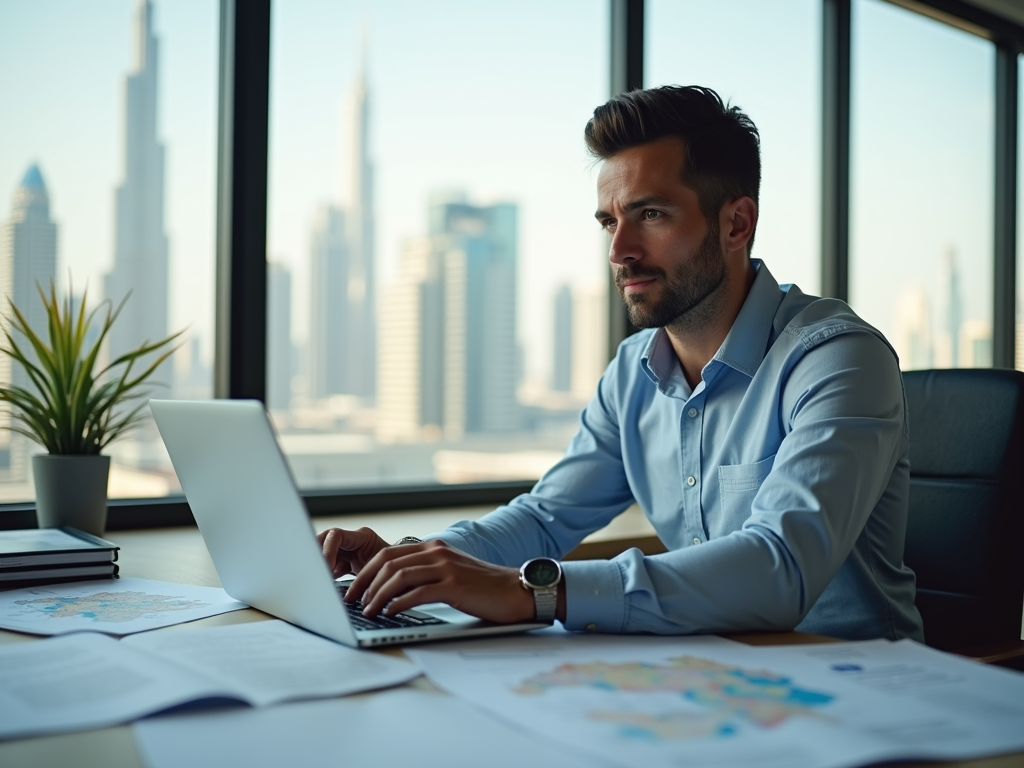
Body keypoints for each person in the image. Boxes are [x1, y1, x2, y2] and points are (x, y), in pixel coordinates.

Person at [318, 85, 924, 642]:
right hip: (709, 676)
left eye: (651, 215)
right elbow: (547, 516)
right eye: (610, 221)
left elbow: (780, 567)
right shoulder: (634, 371)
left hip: (858, 690)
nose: (619, 251)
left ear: (736, 223)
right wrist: (416, 561)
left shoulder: (838, 360)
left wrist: (535, 592)